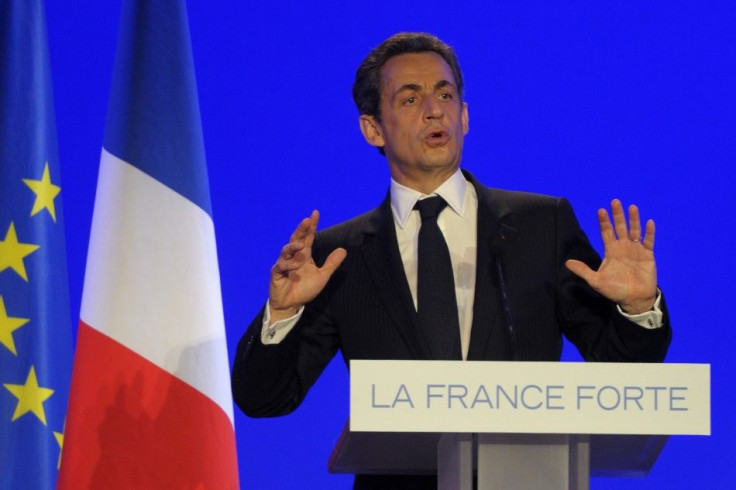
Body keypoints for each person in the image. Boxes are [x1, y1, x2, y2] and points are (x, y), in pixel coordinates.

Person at [231, 32, 671, 490]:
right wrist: (282, 313)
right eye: (410, 98)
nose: (434, 109)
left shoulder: (542, 226)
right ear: (373, 129)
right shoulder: (338, 256)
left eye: (445, 94)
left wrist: (637, 309)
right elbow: (265, 398)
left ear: (464, 115)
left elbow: (624, 368)